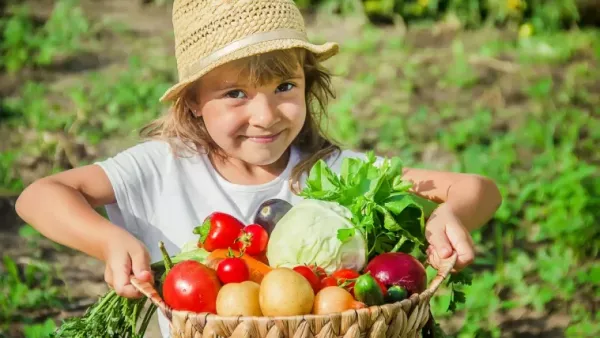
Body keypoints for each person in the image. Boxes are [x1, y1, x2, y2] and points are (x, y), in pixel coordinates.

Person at [15, 0, 502, 336]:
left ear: (308, 85)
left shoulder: (334, 173)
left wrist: (445, 214)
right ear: (193, 103)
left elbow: (475, 187)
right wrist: (108, 241)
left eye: (285, 88)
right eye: (235, 94)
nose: (266, 116)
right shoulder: (162, 169)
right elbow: (39, 195)